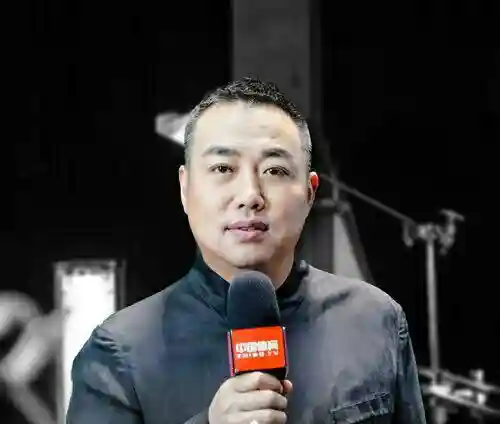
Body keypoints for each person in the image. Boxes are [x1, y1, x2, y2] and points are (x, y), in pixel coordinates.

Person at [66, 77, 427, 424]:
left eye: (275, 170)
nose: (251, 195)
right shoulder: (118, 352)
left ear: (310, 192)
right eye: (223, 168)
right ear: (185, 189)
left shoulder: (375, 320)